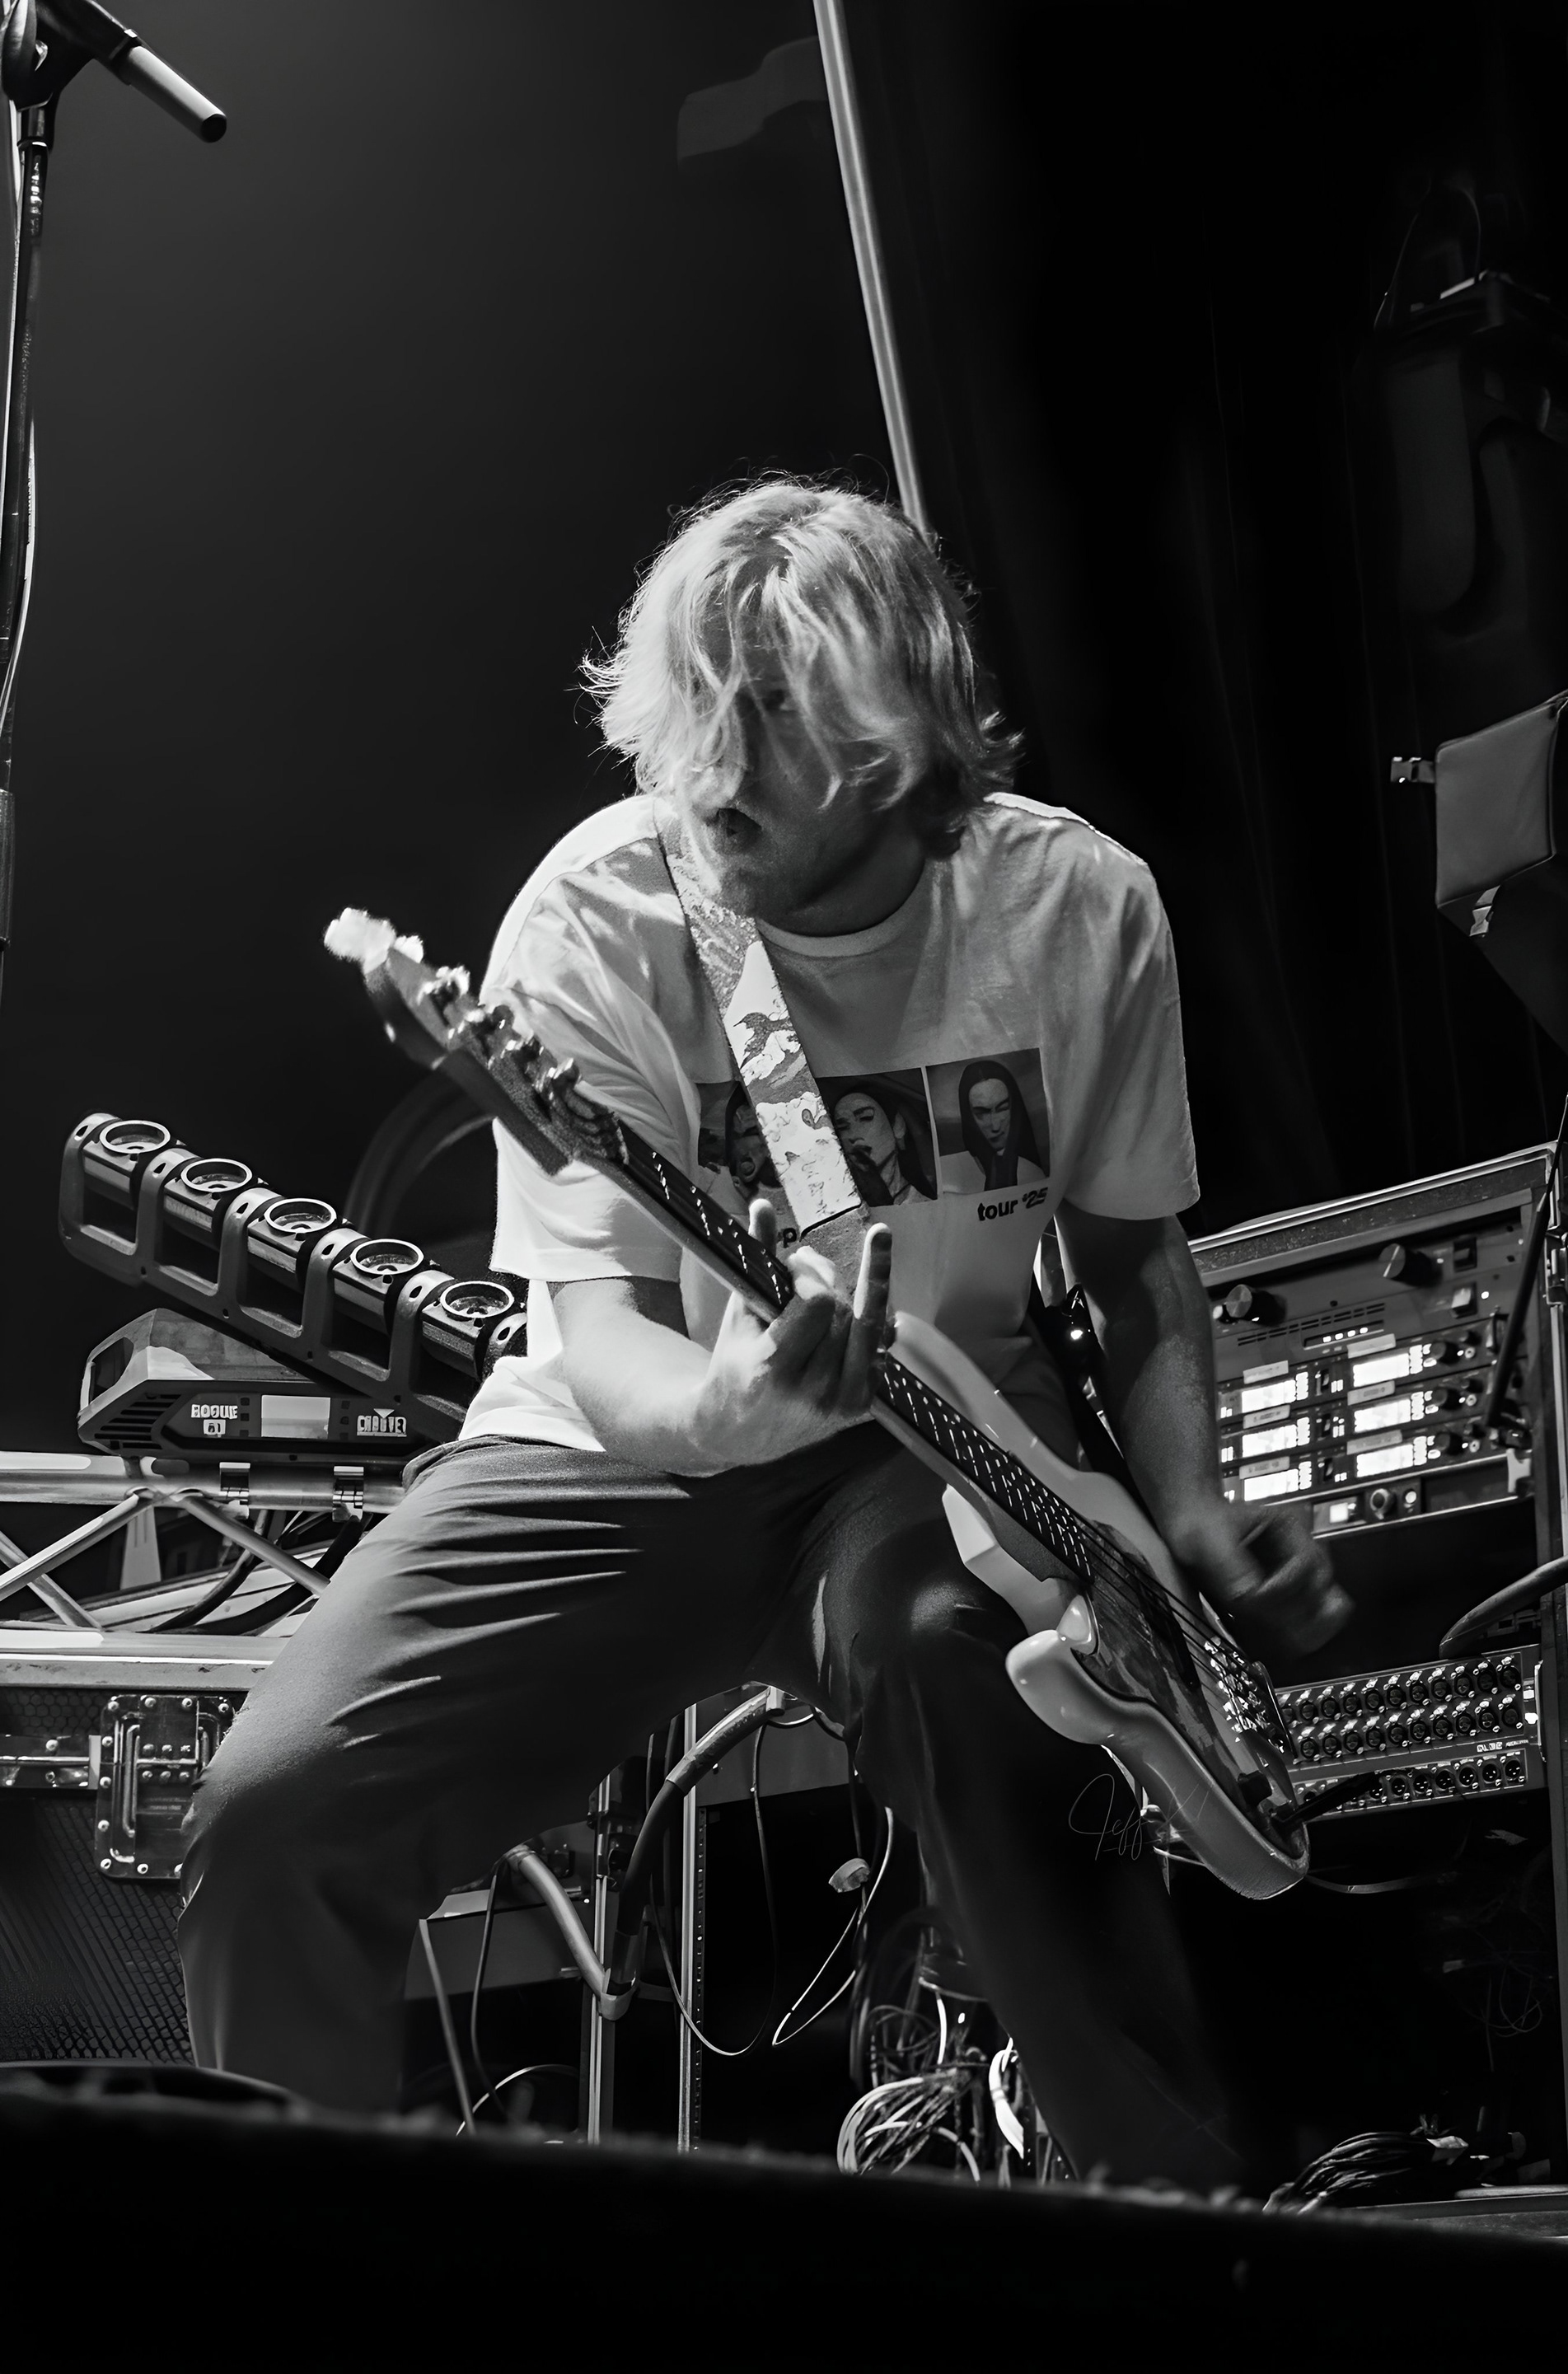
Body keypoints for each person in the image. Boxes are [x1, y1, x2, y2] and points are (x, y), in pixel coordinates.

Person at [177, 480, 1348, 2187]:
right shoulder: (601, 916)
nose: (709, 761)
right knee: (275, 1814)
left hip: (932, 1449)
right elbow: (603, 1341)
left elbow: (1133, 1263)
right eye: (694, 703)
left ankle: (1184, 2236)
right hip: (622, 1448)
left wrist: (1186, 1508)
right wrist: (729, 1405)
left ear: (892, 742)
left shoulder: (1078, 907)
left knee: (978, 1672)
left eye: (771, 711)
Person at [829, 1077, 933, 1206]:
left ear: (898, 1126)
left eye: (865, 1118)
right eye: (842, 1127)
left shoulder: (923, 1204)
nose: (853, 1135)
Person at [957, 1058, 1041, 1190]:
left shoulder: (1032, 1172)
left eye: (1003, 1109)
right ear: (969, 1117)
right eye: (981, 1114)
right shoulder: (954, 1172)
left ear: (1015, 1109)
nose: (995, 1126)